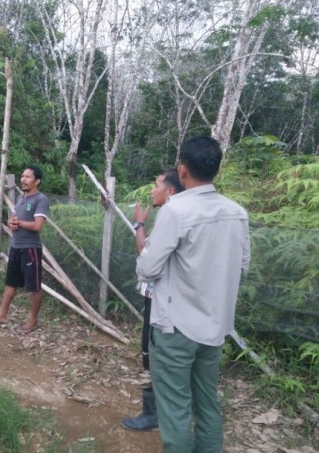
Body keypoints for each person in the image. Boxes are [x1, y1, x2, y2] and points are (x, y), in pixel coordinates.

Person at [137, 136, 250, 452]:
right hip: (215, 328)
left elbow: (149, 268)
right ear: (217, 169)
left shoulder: (176, 210)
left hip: (175, 327)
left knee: (174, 409)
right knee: (207, 403)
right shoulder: (237, 213)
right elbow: (242, 265)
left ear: (182, 169)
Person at [122, 169, 184, 432]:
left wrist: (139, 224)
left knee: (155, 354)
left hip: (162, 301)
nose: (152, 190)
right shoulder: (173, 217)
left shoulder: (173, 217)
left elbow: (147, 258)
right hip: (165, 300)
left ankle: (155, 416)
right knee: (155, 353)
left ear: (170, 190)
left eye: (156, 185)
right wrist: (140, 225)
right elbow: (146, 249)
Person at [0, 164, 50, 333]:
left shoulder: (40, 199)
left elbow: (37, 226)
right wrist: (11, 223)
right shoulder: (22, 199)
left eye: (27, 177)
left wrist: (19, 223)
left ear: (37, 181)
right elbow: (15, 220)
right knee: (11, 282)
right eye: (22, 176)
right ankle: (2, 315)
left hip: (30, 249)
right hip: (16, 246)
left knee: (34, 286)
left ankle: (33, 320)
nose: (23, 179)